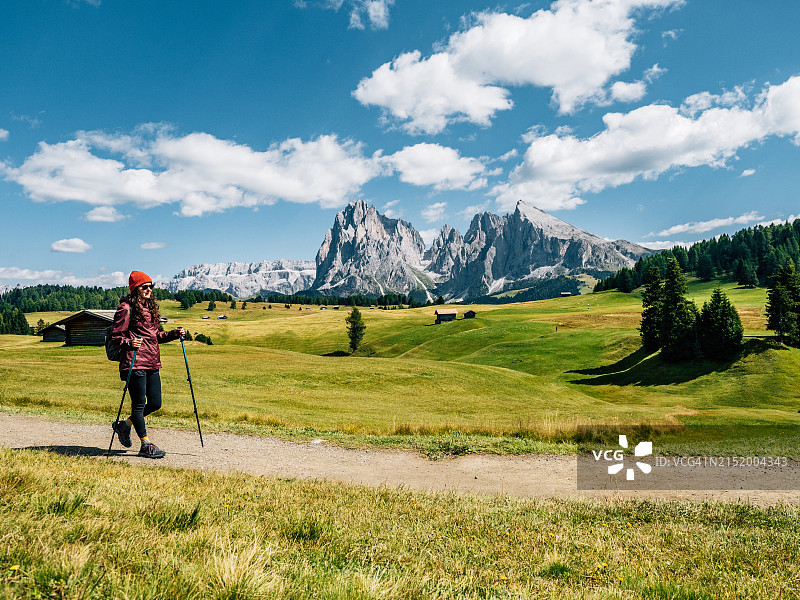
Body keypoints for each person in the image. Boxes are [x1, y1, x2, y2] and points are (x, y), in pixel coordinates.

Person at [110, 271, 185, 458]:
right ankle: (145, 444)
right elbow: (115, 336)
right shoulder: (126, 308)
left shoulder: (150, 309)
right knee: (138, 405)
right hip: (134, 362)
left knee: (155, 403)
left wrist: (173, 334)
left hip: (152, 361)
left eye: (151, 286)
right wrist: (129, 342)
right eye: (145, 287)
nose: (149, 290)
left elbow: (155, 336)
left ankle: (125, 425)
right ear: (135, 289)